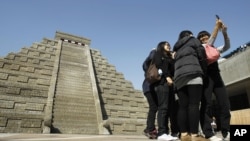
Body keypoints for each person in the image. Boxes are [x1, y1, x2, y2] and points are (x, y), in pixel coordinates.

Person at [198, 19, 231, 141]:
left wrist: (224, 32)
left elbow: (227, 46)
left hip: (217, 77)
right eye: (201, 37)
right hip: (206, 78)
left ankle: (226, 131)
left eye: (205, 35)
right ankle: (208, 133)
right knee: (206, 104)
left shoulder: (214, 49)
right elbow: (210, 41)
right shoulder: (201, 48)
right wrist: (216, 27)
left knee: (224, 103)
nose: (203, 38)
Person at [173, 30, 207, 141]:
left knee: (182, 106)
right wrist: (203, 70)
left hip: (179, 77)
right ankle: (194, 135)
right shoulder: (193, 40)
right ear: (190, 35)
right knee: (193, 105)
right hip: (193, 73)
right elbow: (201, 53)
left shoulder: (176, 47)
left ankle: (183, 134)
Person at [142, 48, 158, 139]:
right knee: (153, 107)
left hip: (149, 87)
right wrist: (154, 50)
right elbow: (151, 57)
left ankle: (149, 128)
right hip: (149, 87)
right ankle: (150, 129)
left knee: (155, 107)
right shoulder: (148, 64)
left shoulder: (148, 64)